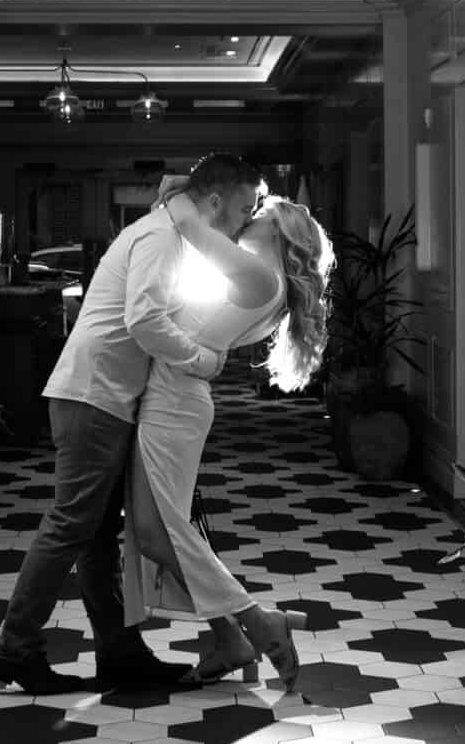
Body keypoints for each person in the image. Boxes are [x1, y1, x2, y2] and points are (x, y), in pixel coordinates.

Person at [0, 153, 268, 694]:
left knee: (94, 537)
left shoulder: (170, 231)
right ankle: (14, 648)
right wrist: (202, 361)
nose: (244, 224)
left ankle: (119, 654)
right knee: (72, 525)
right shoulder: (162, 237)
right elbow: (143, 320)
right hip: (94, 396)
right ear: (213, 201)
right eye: (242, 209)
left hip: (101, 396)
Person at [120, 192, 333, 696]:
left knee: (156, 533)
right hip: (174, 397)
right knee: (157, 530)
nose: (248, 217)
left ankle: (256, 624)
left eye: (258, 213)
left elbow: (192, 232)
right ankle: (231, 637)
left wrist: (175, 202)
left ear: (279, 231)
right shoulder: (261, 279)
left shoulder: (261, 279)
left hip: (173, 401)